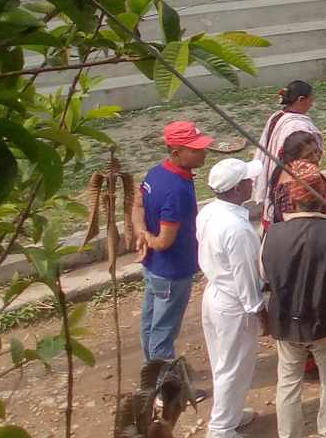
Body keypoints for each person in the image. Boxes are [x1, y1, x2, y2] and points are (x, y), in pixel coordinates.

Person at [261, 161, 326, 438]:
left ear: (292, 199)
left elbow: (265, 275)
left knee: (288, 382)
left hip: (285, 323)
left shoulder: (272, 234)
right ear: (323, 199)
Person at [195, 159, 262, 438]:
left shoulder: (209, 212)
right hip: (234, 302)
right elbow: (245, 275)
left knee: (222, 361)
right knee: (233, 366)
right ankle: (221, 428)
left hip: (215, 294)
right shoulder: (238, 230)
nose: (252, 182)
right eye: (248, 180)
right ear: (236, 189)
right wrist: (258, 310)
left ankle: (230, 415)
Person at [138, 121, 211, 363]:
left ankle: (151, 374)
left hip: (153, 267)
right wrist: (149, 237)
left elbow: (136, 205)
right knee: (164, 331)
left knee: (150, 323)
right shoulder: (177, 190)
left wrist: (140, 232)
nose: (203, 153)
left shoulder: (156, 174)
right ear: (176, 153)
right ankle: (164, 389)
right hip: (172, 271)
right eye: (195, 149)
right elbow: (163, 242)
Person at [254, 82, 321, 211]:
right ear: (301, 99)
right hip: (290, 178)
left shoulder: (277, 116)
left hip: (275, 175)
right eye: (311, 99)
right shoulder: (296, 126)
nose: (312, 103)